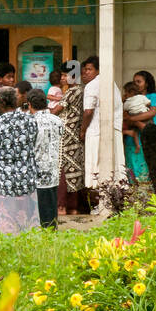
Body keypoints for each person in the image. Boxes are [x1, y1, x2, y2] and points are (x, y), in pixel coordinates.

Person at [0, 86, 40, 234]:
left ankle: (10, 245)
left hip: (6, 180)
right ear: (17, 100)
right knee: (29, 218)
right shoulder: (31, 120)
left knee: (8, 221)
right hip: (28, 176)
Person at [80, 55, 124, 197]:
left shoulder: (92, 85)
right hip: (113, 132)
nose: (86, 72)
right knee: (115, 170)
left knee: (96, 170)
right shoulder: (112, 84)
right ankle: (111, 203)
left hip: (96, 132)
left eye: (89, 69)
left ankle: (102, 204)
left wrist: (82, 130)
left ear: (98, 70)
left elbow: (88, 112)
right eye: (85, 69)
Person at [27, 88, 65, 229]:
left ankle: (43, 237)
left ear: (29, 104)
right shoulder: (57, 120)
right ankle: (51, 235)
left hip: (36, 172)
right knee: (51, 207)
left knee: (38, 211)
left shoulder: (30, 122)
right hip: (54, 170)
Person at [57, 64, 89, 214]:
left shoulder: (72, 91)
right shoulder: (83, 90)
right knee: (75, 169)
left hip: (67, 135)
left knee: (65, 171)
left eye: (65, 75)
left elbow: (58, 109)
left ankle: (65, 206)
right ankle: (74, 207)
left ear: (74, 76)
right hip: (76, 135)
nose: (62, 78)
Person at [130, 69, 156, 195]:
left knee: (147, 165)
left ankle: (148, 197)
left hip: (148, 136)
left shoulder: (152, 97)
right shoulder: (131, 98)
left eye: (139, 81)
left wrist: (132, 119)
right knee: (133, 165)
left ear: (147, 83)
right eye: (134, 82)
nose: (136, 84)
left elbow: (152, 112)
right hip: (132, 137)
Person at [121, 81, 150, 184]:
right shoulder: (142, 98)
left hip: (135, 141)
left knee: (134, 164)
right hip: (138, 136)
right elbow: (149, 104)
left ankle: (136, 184)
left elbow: (123, 114)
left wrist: (123, 100)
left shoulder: (127, 103)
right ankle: (141, 184)